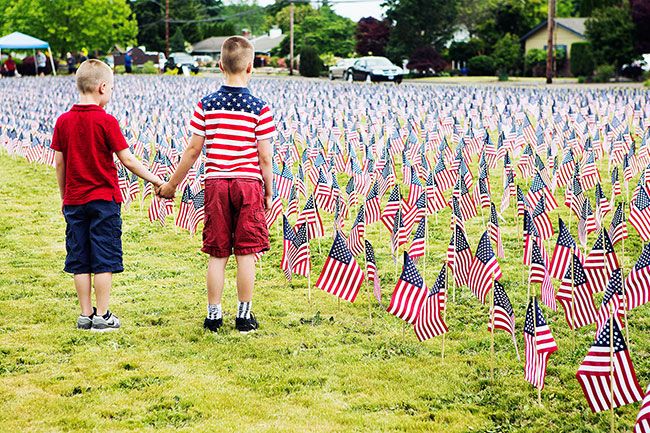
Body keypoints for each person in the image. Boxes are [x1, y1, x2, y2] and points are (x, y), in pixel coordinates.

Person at [157, 36, 276, 334]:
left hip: (216, 183)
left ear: (220, 65)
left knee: (218, 252)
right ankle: (244, 317)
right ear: (251, 67)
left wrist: (172, 183)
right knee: (246, 252)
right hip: (248, 183)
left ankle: (213, 316)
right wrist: (269, 191)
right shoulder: (260, 108)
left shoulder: (206, 105)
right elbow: (264, 156)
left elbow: (193, 150)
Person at [51, 59, 164, 331]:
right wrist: (158, 180)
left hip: (75, 201)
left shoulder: (63, 121)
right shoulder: (106, 121)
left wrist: (64, 196)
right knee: (103, 257)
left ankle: (84, 314)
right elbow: (128, 160)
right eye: (111, 88)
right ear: (102, 87)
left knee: (79, 258)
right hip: (104, 201)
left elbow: (59, 162)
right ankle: (102, 315)